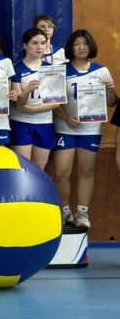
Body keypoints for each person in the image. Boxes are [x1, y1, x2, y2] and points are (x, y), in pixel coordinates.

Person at [52, 30, 117, 228]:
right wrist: (65, 117)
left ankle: (82, 213)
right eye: (77, 44)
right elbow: (52, 101)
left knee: (86, 171)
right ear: (71, 47)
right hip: (65, 127)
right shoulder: (60, 70)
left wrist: (110, 90)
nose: (81, 47)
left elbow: (111, 102)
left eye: (85, 43)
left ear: (91, 46)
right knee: (61, 172)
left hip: (90, 129)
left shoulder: (101, 71)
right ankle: (65, 212)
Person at [11, 28, 61, 169]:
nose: (39, 47)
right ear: (25, 45)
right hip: (21, 122)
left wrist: (33, 109)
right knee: (23, 167)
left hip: (45, 122)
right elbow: (18, 104)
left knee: (39, 167)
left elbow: (56, 103)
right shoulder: (16, 69)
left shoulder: (52, 69)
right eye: (34, 43)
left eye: (43, 43)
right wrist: (27, 91)